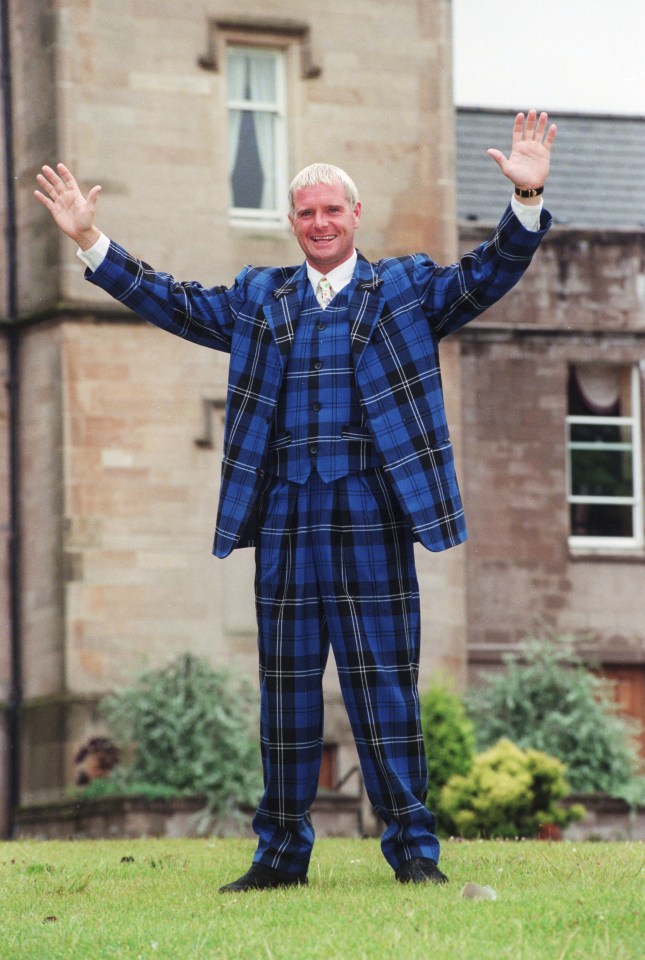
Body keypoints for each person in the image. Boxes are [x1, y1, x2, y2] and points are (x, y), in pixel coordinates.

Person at [35, 109, 556, 891]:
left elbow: (486, 273)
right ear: (291, 223)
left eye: (331, 210)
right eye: (305, 213)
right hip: (285, 517)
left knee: (384, 684)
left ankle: (414, 855)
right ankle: (279, 856)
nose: (319, 223)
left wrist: (524, 196)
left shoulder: (408, 289)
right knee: (283, 687)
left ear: (355, 217)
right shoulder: (258, 297)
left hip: (374, 516)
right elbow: (173, 302)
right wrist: (89, 241)